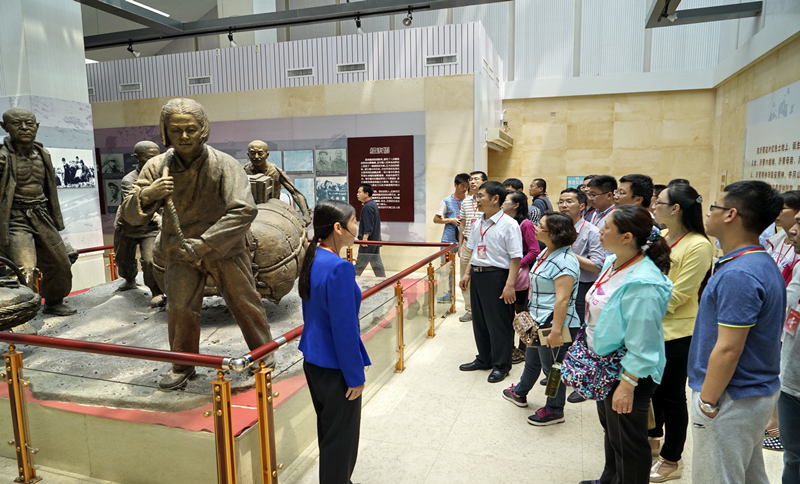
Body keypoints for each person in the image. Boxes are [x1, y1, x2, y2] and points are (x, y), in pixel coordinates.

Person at [119, 98, 274, 389]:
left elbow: (243, 210)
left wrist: (204, 244)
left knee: (244, 302)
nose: (184, 136)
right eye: (176, 130)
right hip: (179, 252)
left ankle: (263, 354)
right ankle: (183, 365)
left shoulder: (225, 164)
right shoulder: (156, 166)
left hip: (225, 248)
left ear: (203, 129)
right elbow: (130, 217)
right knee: (180, 309)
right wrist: (149, 194)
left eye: (191, 129)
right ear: (165, 132)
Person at [688, 180, 785, 484]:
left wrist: (707, 401)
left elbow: (729, 348)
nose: (708, 213)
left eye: (714, 207)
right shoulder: (757, 261)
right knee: (749, 475)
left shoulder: (740, 273)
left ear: (731, 214)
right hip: (752, 393)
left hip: (731, 397)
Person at [581, 205, 673, 484]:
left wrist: (627, 384)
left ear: (627, 237)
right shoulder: (614, 261)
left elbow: (644, 342)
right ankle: (609, 479)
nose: (600, 230)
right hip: (605, 363)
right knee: (612, 431)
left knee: (629, 442)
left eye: (607, 226)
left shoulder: (644, 283)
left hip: (628, 371)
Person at [298, 199, 371, 484]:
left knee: (330, 435)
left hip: (314, 360)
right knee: (341, 440)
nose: (357, 227)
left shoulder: (314, 256)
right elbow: (344, 329)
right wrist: (354, 376)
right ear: (338, 227)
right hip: (336, 367)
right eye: (354, 222)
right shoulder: (339, 267)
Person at [649, 183, 714, 481]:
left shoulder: (699, 245)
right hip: (650, 327)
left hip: (676, 333)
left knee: (672, 397)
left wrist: (637, 307)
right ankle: (653, 439)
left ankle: (672, 460)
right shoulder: (662, 236)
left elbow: (679, 295)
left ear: (675, 209)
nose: (654, 205)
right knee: (651, 392)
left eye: (659, 202)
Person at [502, 211, 579, 425]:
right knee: (532, 360)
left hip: (554, 325)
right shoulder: (548, 252)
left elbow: (562, 300)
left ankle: (555, 409)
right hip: (539, 320)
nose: (535, 227)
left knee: (552, 368)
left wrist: (556, 331)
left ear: (554, 233)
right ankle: (520, 392)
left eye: (541, 226)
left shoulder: (565, 262)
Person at [0, 107, 76, 317]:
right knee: (24, 268)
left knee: (61, 263)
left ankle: (53, 301)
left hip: (42, 215)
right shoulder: (2, 157)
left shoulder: (43, 154)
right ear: (5, 127)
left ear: (37, 126)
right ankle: (20, 315)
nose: (24, 128)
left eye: (29, 123)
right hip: (15, 218)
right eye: (17, 124)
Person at [458, 181, 522, 383]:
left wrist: (509, 285)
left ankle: (502, 365)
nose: (476, 200)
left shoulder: (509, 224)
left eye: (480, 196)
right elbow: (475, 251)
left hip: (497, 277)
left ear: (495, 199)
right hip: (477, 275)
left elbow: (516, 258)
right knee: (480, 321)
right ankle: (484, 358)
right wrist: (467, 274)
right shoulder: (478, 223)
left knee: (499, 323)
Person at [557, 188, 604, 404]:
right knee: (563, 331)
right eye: (561, 201)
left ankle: (582, 381)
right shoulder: (557, 228)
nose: (563, 205)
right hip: (560, 287)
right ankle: (564, 372)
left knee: (581, 336)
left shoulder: (592, 232)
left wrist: (568, 253)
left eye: (569, 201)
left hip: (583, 288)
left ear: (582, 206)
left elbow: (597, 265)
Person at [763, 190, 800, 451]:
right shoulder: (778, 239)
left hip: (784, 316)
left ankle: (776, 424)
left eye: (783, 208)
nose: (777, 213)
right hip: (782, 319)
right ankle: (775, 422)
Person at [113, 141, 165, 306]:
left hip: (149, 228)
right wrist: (158, 217)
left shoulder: (162, 177)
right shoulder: (129, 180)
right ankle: (129, 279)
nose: (153, 160)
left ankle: (156, 291)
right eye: (148, 157)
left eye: (156, 156)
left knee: (149, 260)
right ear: (137, 158)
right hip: (127, 226)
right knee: (123, 261)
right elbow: (134, 205)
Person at [501, 190, 540, 363]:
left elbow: (534, 250)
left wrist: (518, 264)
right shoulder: (506, 222)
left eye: (506, 200)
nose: (502, 203)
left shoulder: (526, 224)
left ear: (516, 205)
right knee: (507, 315)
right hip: (508, 272)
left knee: (523, 315)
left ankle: (524, 350)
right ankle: (510, 348)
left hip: (520, 274)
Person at [244, 140, 311, 225]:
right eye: (253, 153)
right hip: (250, 211)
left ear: (267, 155)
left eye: (260, 153)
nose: (256, 157)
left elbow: (295, 193)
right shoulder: (243, 172)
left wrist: (306, 215)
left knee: (297, 224)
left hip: (273, 208)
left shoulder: (275, 171)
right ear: (248, 154)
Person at [779, 210, 800, 484]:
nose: (792, 230)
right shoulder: (799, 268)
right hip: (791, 382)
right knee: (793, 456)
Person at [434, 174, 469, 302]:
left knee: (466, 269)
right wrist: (451, 220)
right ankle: (449, 294)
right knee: (446, 269)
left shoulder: (470, 201)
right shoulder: (447, 201)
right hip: (449, 240)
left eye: (466, 186)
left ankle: (468, 298)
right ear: (455, 185)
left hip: (466, 240)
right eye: (462, 186)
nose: (464, 189)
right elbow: (436, 219)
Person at [457, 171, 487, 322]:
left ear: (484, 182)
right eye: (471, 179)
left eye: (476, 179)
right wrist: (460, 244)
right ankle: (470, 309)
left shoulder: (488, 201)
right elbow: (462, 224)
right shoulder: (465, 202)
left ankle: (483, 308)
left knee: (481, 275)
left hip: (483, 245)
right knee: (465, 276)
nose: (472, 182)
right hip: (467, 243)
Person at [353, 183, 386, 277]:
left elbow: (369, 224)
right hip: (374, 240)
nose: (357, 194)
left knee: (359, 265)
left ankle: (348, 282)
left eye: (359, 192)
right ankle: (384, 281)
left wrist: (365, 238)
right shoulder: (372, 204)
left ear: (366, 194)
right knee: (376, 263)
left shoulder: (368, 206)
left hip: (368, 242)